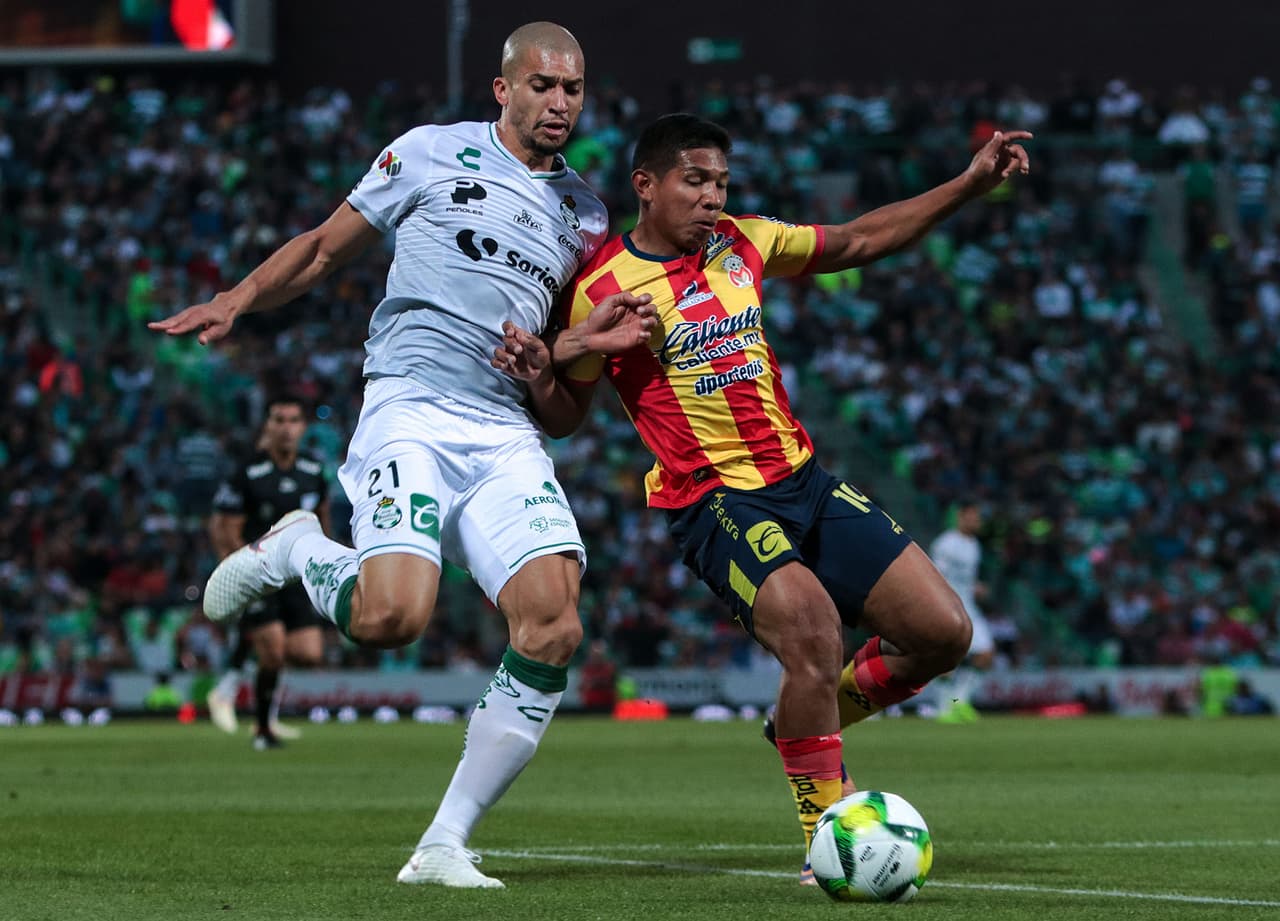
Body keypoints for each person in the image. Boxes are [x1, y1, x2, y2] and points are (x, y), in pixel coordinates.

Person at [150, 22, 653, 889]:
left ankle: (443, 843)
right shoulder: (429, 153)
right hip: (411, 408)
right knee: (391, 618)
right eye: (542, 85)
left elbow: (564, 409)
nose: (559, 103)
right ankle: (297, 546)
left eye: (572, 88)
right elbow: (322, 247)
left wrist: (546, 363)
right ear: (503, 89)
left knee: (555, 624)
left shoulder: (586, 218)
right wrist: (238, 298)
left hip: (504, 432)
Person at [492, 113, 1031, 882]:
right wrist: (545, 370)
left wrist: (969, 184)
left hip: (804, 481)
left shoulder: (744, 242)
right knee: (812, 632)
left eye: (720, 182)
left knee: (944, 632)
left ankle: (802, 722)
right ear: (646, 185)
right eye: (694, 181)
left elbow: (859, 240)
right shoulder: (598, 288)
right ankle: (824, 836)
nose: (712, 197)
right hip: (713, 499)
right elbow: (564, 416)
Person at [205, 394, 331, 749]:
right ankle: (262, 729)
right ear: (268, 426)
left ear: (303, 427)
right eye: (279, 420)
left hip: (297, 574)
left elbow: (322, 520)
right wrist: (238, 572)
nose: (287, 428)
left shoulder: (313, 471)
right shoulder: (248, 471)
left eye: (293, 420)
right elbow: (224, 528)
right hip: (259, 575)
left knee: (308, 653)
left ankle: (233, 678)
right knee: (273, 651)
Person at [927, 502, 995, 723]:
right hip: (947, 607)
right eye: (973, 516)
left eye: (978, 518)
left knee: (985, 655)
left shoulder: (974, 545)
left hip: (969, 608)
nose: (977, 521)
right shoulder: (946, 544)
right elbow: (935, 576)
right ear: (961, 516)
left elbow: (966, 578)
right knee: (947, 659)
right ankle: (943, 708)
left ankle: (960, 701)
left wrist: (976, 587)